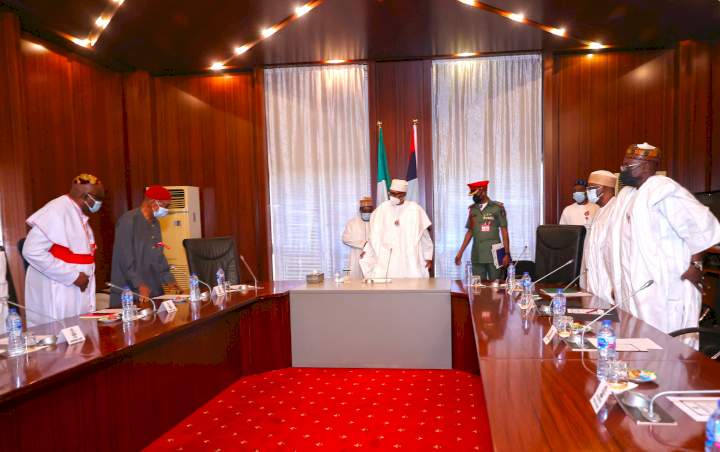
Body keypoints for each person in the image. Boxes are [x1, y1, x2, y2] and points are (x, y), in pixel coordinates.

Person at [618, 143, 720, 333]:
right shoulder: (634, 195)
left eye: (628, 166)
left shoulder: (662, 188)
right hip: (643, 283)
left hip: (667, 282)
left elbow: (697, 225)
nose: (623, 170)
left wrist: (695, 264)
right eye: (623, 165)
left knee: (668, 340)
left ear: (647, 167)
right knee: (643, 338)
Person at [22, 174, 105, 326]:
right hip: (58, 290)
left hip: (76, 290)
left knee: (81, 338)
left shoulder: (77, 213)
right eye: (98, 198)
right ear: (85, 196)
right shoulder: (56, 210)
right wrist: (72, 276)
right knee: (61, 341)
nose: (100, 202)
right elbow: (31, 251)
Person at [110, 185, 179, 307]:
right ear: (153, 202)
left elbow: (159, 255)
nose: (166, 210)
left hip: (154, 287)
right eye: (165, 205)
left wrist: (169, 279)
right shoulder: (129, 220)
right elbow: (125, 258)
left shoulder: (155, 223)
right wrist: (139, 284)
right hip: (131, 289)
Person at [359, 179, 433, 278]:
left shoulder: (415, 209)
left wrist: (428, 256)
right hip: (387, 256)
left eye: (398, 194)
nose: (395, 197)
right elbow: (374, 234)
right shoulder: (382, 209)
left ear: (404, 194)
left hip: (408, 256)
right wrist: (367, 249)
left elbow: (424, 235)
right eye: (392, 194)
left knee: (411, 284)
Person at [454, 180, 510, 280]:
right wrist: (460, 252)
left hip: (495, 253)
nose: (473, 197)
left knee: (496, 287)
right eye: (472, 194)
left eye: (475, 194)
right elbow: (470, 231)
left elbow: (504, 231)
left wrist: (506, 254)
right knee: (477, 287)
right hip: (477, 253)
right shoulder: (473, 209)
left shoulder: (497, 208)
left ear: (483, 191)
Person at [579, 170, 617, 301]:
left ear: (604, 188)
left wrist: (616, 285)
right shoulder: (599, 211)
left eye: (591, 187)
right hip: (594, 282)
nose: (587, 191)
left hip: (609, 285)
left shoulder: (616, 211)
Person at [342, 197, 373, 279]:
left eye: (369, 210)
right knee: (355, 283)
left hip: (372, 258)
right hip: (356, 256)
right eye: (365, 210)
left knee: (372, 283)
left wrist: (369, 247)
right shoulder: (352, 223)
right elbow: (345, 238)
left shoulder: (376, 223)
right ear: (360, 210)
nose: (367, 212)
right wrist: (364, 244)